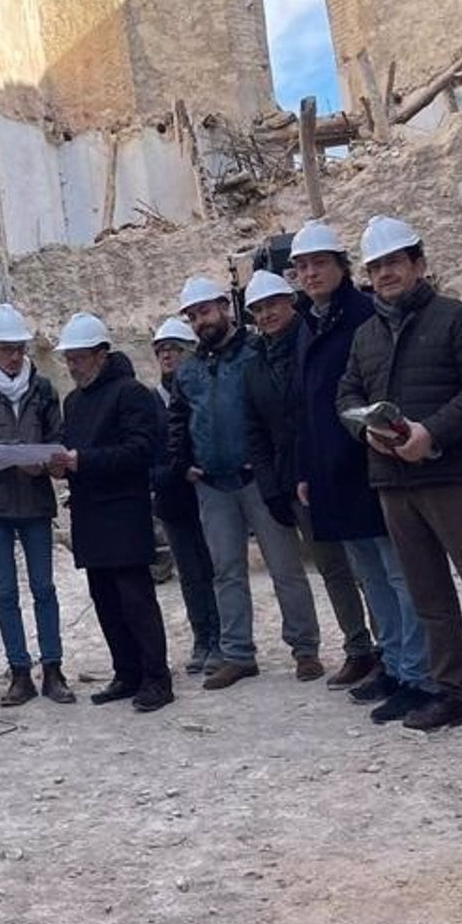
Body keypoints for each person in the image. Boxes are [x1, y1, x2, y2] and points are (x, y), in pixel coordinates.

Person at [337, 216, 462, 743]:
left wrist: (432, 431)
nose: (385, 274)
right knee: (429, 595)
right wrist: (367, 433)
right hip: (393, 483)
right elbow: (346, 397)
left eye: (394, 263)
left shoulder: (455, 320)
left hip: (453, 475)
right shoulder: (366, 337)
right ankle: (454, 693)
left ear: (419, 265)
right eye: (376, 267)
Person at [287, 220, 433, 725]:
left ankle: (419, 673)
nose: (310, 273)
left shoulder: (364, 314)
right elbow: (306, 406)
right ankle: (394, 665)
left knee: (398, 575)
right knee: (371, 577)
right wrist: (306, 469)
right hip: (330, 472)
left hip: (371, 464)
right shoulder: (310, 323)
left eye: (319, 263)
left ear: (341, 267)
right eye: (302, 266)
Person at [169, 275, 324, 688]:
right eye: (193, 316)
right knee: (227, 571)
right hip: (213, 484)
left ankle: (305, 649)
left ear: (224, 307)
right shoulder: (190, 370)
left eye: (205, 311)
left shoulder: (258, 350)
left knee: (285, 567)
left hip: (258, 479)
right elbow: (178, 420)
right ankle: (238, 653)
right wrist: (183, 462)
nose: (201, 321)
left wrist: (274, 465)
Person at [239, 269, 382, 688]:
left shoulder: (313, 342)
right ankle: (358, 648)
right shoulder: (254, 366)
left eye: (272, 305)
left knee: (365, 564)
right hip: (295, 480)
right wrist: (271, 486)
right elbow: (256, 432)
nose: (266, 315)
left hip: (334, 467)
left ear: (291, 303)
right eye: (258, 309)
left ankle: (388, 647)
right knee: (332, 567)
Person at [47, 314, 172, 711]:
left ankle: (157, 677)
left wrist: (82, 461)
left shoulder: (131, 393)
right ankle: (127, 672)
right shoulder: (74, 400)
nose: (72, 366)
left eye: (79, 358)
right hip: (90, 513)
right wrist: (58, 464)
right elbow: (71, 449)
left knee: (136, 599)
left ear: (102, 355)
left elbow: (139, 451)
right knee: (104, 598)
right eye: (69, 359)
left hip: (123, 512)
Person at [0, 304, 74, 707]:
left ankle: (53, 668)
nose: (13, 356)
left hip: (36, 500)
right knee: (6, 591)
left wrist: (46, 463)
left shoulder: (43, 390)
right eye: (5, 349)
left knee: (44, 587)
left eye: (18, 348)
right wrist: (18, 458)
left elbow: (57, 436)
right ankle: (19, 671)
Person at [152, 317, 221, 674]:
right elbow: (149, 456)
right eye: (161, 349)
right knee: (191, 574)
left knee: (216, 568)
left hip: (209, 493)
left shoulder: (203, 388)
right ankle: (202, 637)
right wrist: (175, 471)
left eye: (174, 349)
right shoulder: (151, 402)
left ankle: (223, 638)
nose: (167, 355)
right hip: (173, 499)